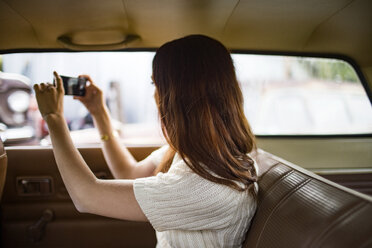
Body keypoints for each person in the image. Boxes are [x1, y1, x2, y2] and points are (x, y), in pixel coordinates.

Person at [33, 35, 259, 248]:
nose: (155, 95)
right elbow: (129, 173)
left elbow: (86, 196)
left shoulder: (210, 186)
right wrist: (99, 113)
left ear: (178, 94)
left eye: (156, 85)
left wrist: (54, 119)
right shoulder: (196, 155)